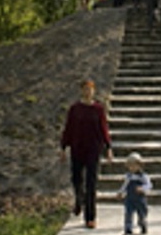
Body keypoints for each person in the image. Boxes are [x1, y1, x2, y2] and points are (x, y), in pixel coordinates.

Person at [60, 80, 114, 229]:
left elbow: (104, 128)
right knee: (76, 180)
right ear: (81, 91)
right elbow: (68, 128)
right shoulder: (74, 109)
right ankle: (79, 200)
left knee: (91, 184)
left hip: (93, 150)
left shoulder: (98, 109)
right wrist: (63, 147)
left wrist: (108, 147)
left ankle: (90, 217)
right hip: (77, 148)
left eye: (90, 89)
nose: (88, 92)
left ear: (94, 91)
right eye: (85, 89)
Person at [117, 152, 152, 235]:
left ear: (139, 165)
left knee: (141, 213)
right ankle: (128, 228)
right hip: (129, 198)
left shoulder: (143, 176)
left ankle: (142, 224)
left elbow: (149, 185)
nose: (132, 168)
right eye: (130, 166)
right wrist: (120, 192)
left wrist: (142, 188)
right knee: (128, 213)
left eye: (134, 165)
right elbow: (125, 185)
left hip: (140, 198)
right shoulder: (128, 176)